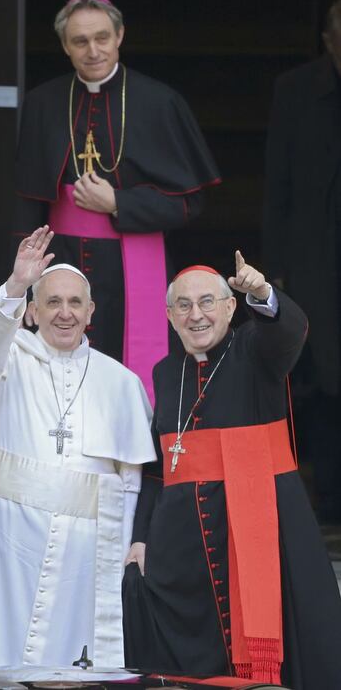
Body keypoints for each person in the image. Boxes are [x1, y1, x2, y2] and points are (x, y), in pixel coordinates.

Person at [0, 225, 156, 670]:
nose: (64, 313)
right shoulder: (7, 358)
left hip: (83, 559)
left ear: (91, 311)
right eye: (52, 301)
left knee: (74, 670)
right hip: (1, 543)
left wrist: (124, 551)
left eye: (75, 303)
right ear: (32, 311)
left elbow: (130, 481)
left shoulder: (121, 383)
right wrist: (16, 283)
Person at [122, 251, 341, 689]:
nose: (196, 314)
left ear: (230, 307)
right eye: (183, 305)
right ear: (169, 315)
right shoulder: (165, 374)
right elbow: (156, 468)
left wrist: (262, 292)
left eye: (207, 302)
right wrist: (140, 538)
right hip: (185, 549)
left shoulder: (254, 350)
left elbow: (290, 332)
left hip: (262, 532)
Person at [15, 0, 220, 402]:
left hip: (129, 271)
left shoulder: (159, 102)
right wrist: (22, 282)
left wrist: (118, 204)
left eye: (102, 37)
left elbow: (190, 203)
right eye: (80, 41)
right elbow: (26, 200)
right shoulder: (43, 102)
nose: (93, 50)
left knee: (126, 380)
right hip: (62, 259)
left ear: (120, 35)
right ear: (65, 46)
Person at [262, 0, 341, 523]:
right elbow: (278, 187)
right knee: (325, 380)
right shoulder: (295, 90)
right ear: (329, 39)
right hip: (317, 258)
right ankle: (332, 502)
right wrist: (274, 271)